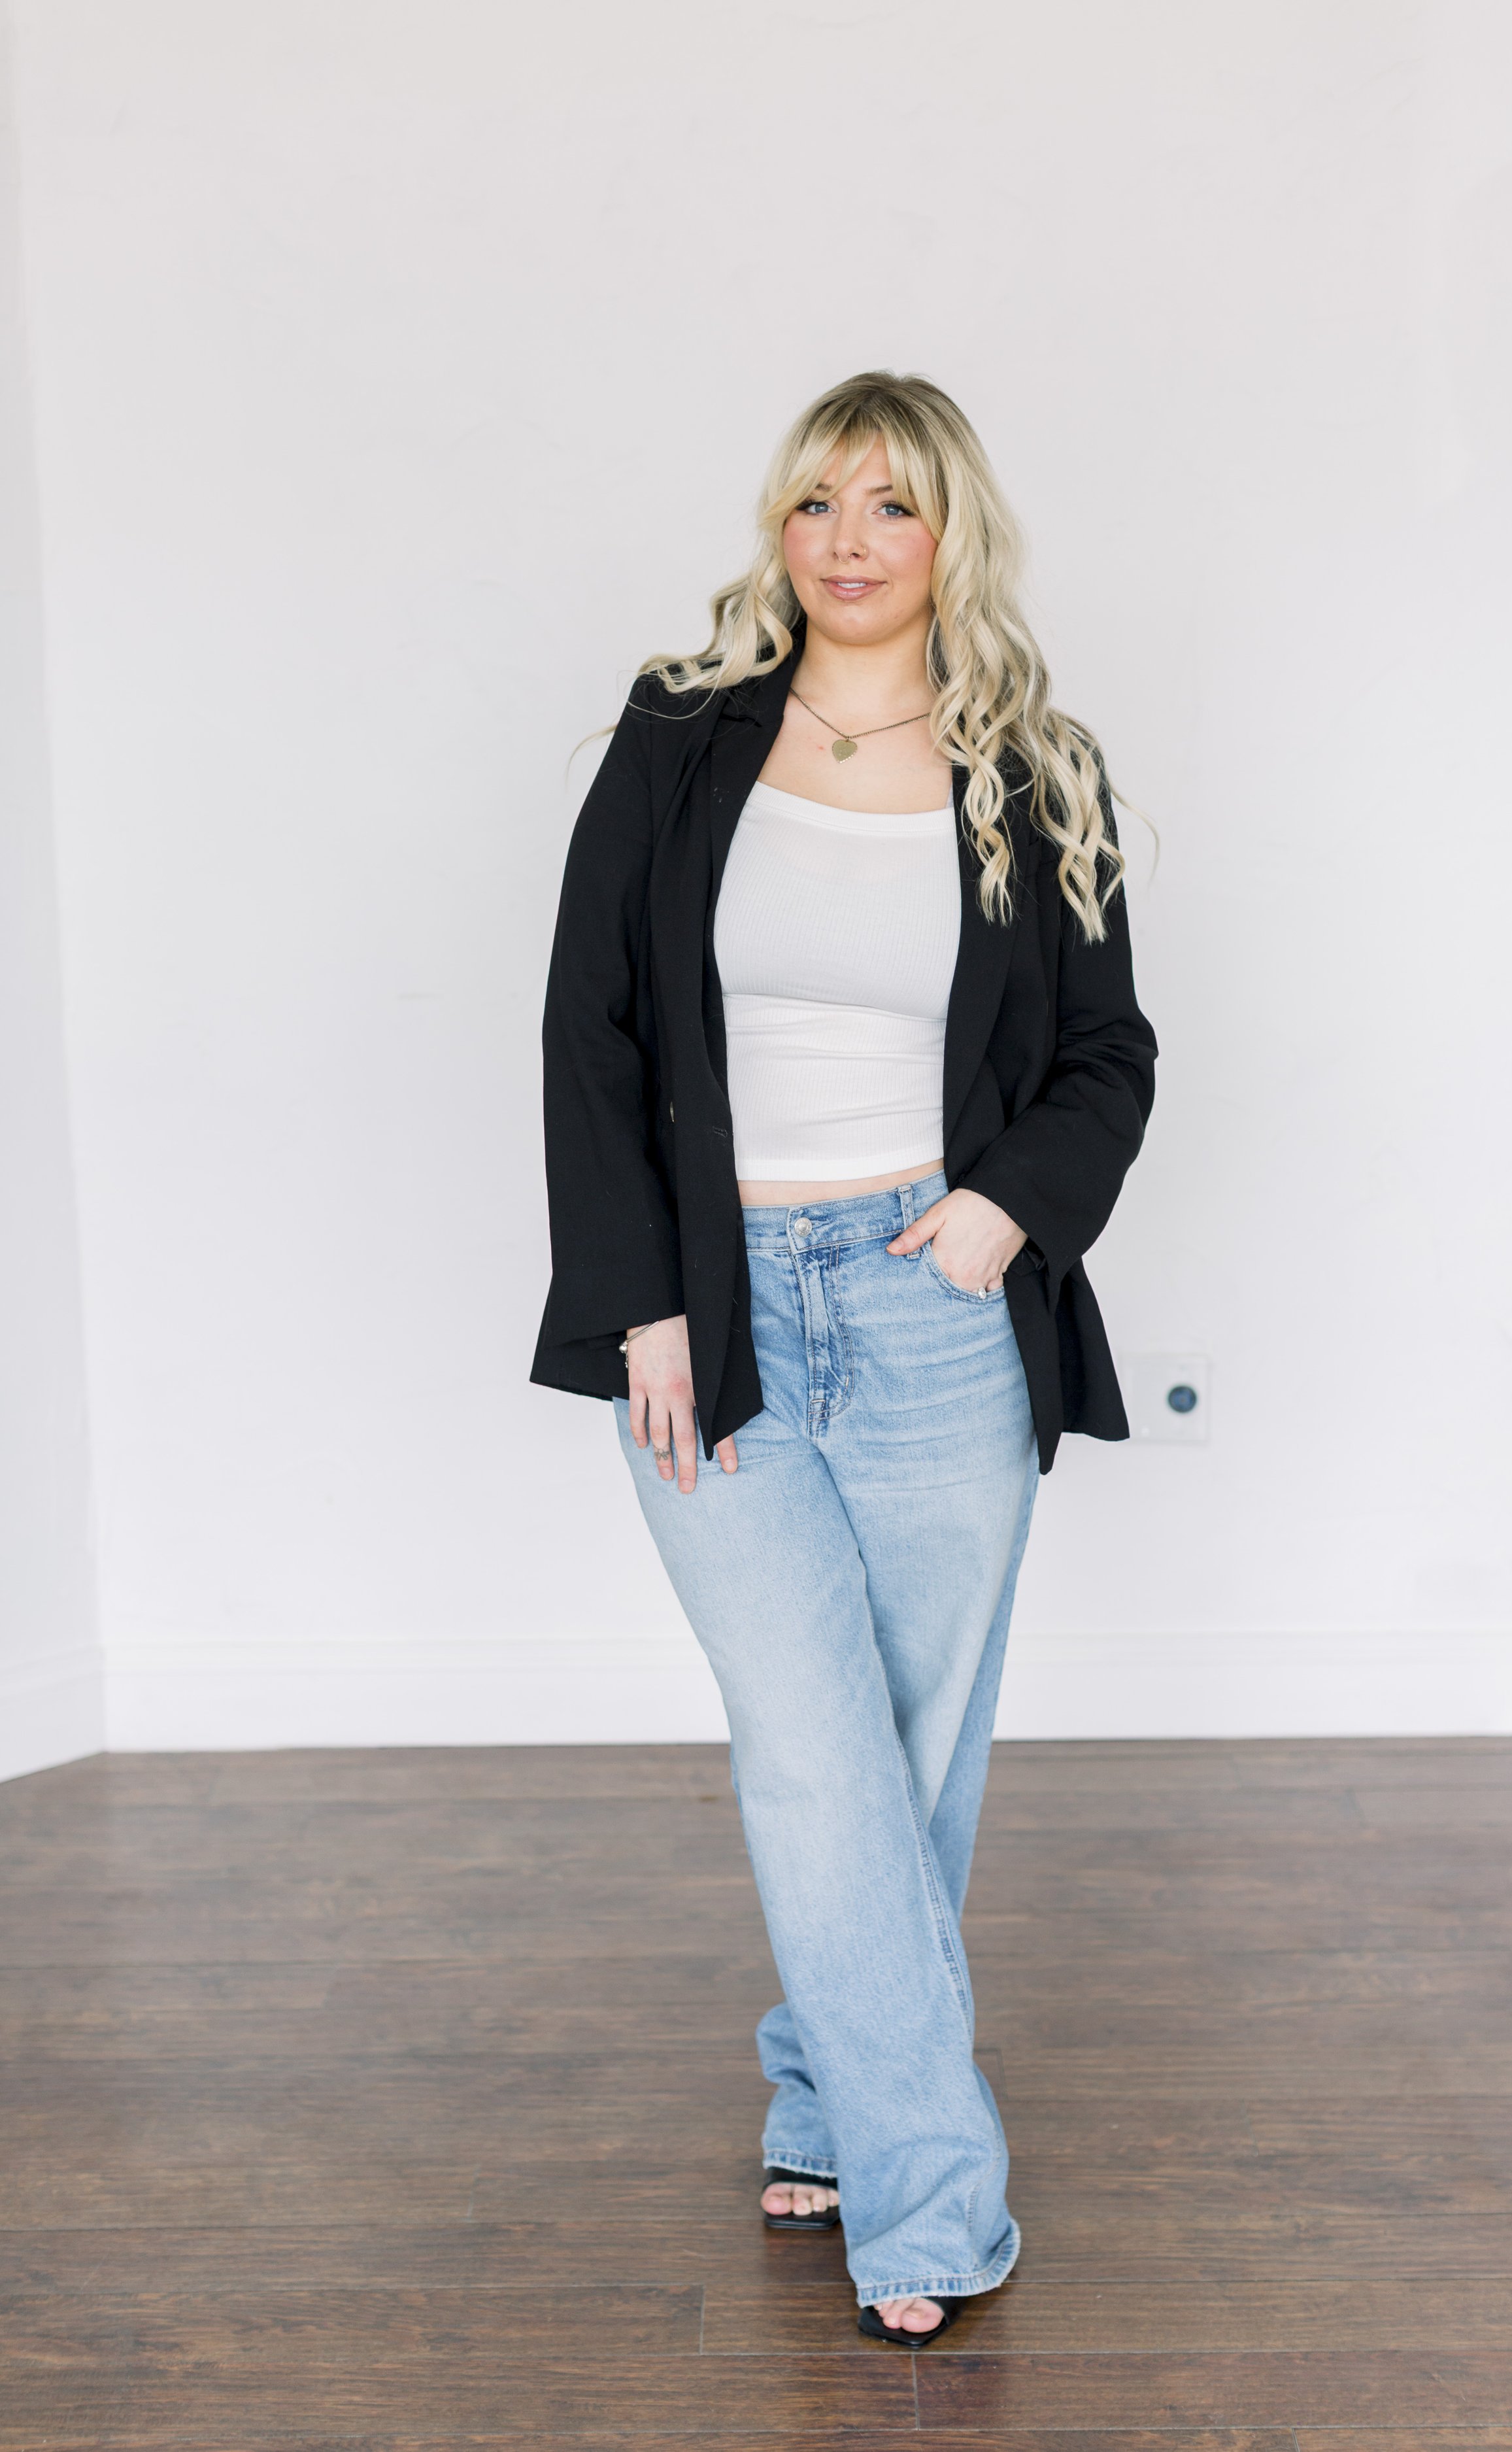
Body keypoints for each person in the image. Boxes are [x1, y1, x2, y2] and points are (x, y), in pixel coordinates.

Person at [531, 371, 1157, 2345]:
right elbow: (594, 1037)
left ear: (949, 532)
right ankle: (929, 2204)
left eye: (889, 506)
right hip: (713, 1312)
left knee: (903, 1759)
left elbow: (1101, 1055)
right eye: (815, 503)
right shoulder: (681, 736)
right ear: (778, 530)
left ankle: (820, 2091)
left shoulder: (1034, 766)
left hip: (934, 1299)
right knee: (813, 1759)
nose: (848, 541)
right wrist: (642, 1294)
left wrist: (997, 1217)